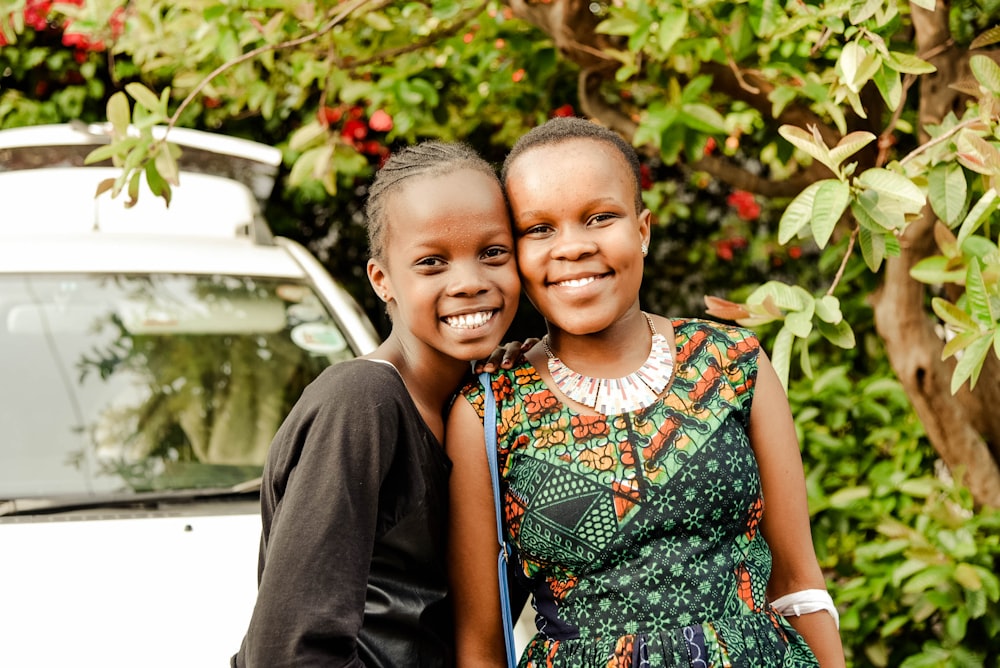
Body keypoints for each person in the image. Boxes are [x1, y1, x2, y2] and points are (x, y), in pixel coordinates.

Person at [446, 117, 846, 667]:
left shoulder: (731, 362)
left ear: (643, 230)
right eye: (539, 229)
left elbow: (798, 579)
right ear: (512, 252)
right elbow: (481, 645)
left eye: (600, 217)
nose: (573, 247)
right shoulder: (490, 409)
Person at [233, 141, 521, 667]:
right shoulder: (361, 403)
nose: (470, 282)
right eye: (432, 263)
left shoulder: (487, 403)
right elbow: (288, 651)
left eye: (493, 253)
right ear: (382, 280)